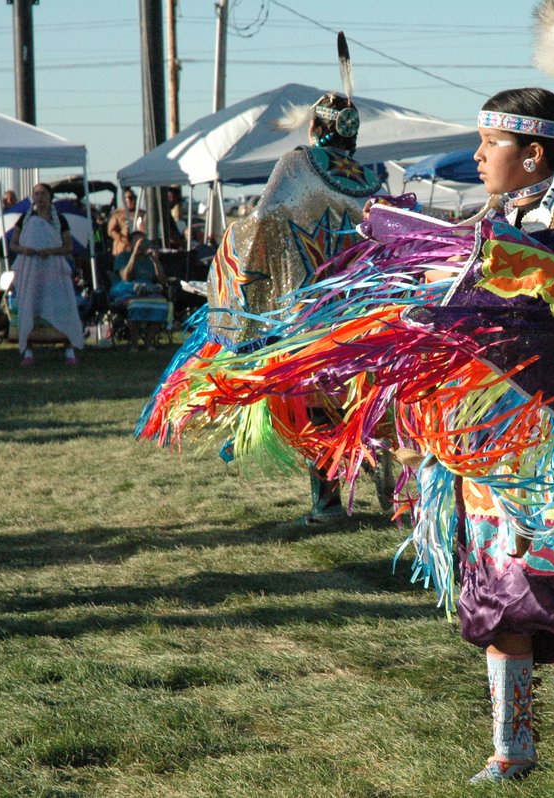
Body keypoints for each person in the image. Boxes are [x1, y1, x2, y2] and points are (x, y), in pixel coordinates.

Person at [141, 85, 554, 795]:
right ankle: (512, 748)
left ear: (534, 153)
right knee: (497, 597)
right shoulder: (489, 217)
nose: (480, 155)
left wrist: (484, 260)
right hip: (479, 443)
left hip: (551, 445)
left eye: (492, 144)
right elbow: (439, 286)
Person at [139, 75, 388, 526]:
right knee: (354, 397)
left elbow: (264, 218)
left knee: (315, 403)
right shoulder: (371, 178)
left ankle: (329, 500)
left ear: (316, 127)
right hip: (357, 311)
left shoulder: (297, 164)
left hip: (305, 308)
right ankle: (381, 478)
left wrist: (236, 248)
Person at [9, 183, 84, 365]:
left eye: (43, 194)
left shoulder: (59, 219)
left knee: (61, 306)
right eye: (36, 194)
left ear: (50, 197)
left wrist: (50, 251)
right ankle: (28, 353)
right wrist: (25, 250)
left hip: (53, 272)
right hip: (31, 271)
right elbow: (13, 244)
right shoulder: (25, 220)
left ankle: (68, 351)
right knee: (30, 307)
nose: (40, 197)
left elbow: (68, 247)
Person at [110, 231, 169, 349]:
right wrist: (134, 255)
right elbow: (126, 277)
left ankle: (148, 342)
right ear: (131, 244)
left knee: (162, 305)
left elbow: (162, 281)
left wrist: (156, 261)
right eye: (138, 242)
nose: (142, 245)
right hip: (126, 290)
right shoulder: (123, 257)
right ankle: (134, 344)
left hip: (147, 291)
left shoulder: (149, 260)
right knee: (135, 305)